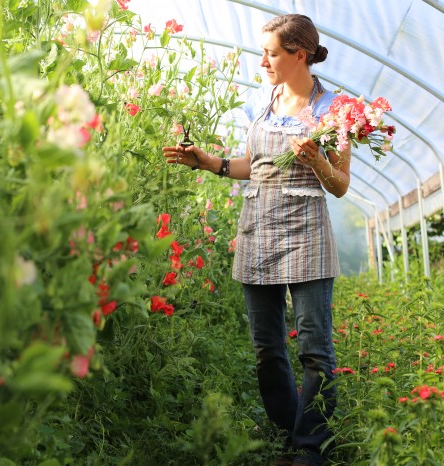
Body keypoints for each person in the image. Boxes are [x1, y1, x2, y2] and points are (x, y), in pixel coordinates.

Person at [162, 14, 350, 466]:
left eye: (271, 52)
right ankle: (289, 431)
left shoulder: (334, 110)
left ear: (298, 55)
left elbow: (340, 184)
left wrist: (317, 160)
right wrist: (207, 162)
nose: (262, 60)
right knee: (268, 350)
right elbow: (255, 163)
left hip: (306, 234)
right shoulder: (264, 101)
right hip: (258, 230)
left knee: (314, 348)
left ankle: (311, 449)